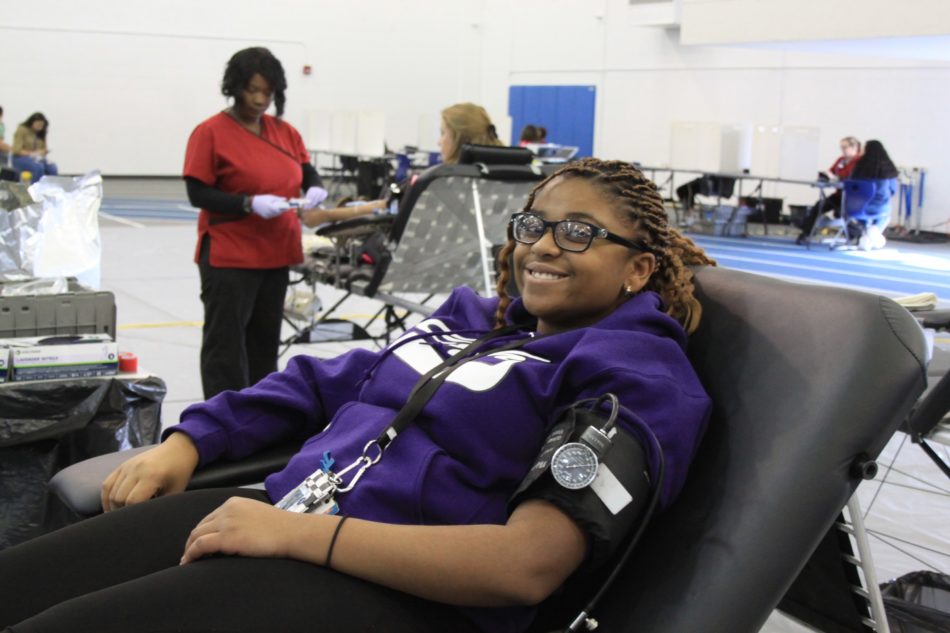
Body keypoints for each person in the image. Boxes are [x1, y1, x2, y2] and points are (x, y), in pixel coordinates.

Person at [0, 158, 714, 633]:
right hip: (292, 518)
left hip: (401, 594)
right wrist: (191, 440)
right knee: (18, 584)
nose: (544, 246)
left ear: (638, 268)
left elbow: (526, 564)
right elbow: (321, 379)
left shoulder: (636, 378)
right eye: (533, 225)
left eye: (580, 233)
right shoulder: (477, 324)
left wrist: (302, 535)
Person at [183, 47, 328, 400]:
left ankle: (262, 416)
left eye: (268, 92)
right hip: (231, 256)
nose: (261, 99)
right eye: (253, 90)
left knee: (264, 346)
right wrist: (247, 204)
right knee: (226, 349)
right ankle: (220, 421)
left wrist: (315, 187)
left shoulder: (285, 132)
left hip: (275, 254)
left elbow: (306, 169)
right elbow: (197, 193)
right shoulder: (210, 132)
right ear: (235, 87)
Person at [298, 102, 504, 229]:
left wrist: (326, 215)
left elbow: (385, 208)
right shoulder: (504, 179)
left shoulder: (438, 180)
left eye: (443, 133)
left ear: (459, 138)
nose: (439, 142)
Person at [795, 136, 862, 245]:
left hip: (852, 197)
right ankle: (806, 233)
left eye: (845, 147)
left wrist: (837, 178)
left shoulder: (859, 162)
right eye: (841, 147)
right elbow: (831, 172)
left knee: (840, 213)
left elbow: (850, 178)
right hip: (838, 194)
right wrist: (826, 177)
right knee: (819, 206)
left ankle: (857, 234)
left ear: (854, 147)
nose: (843, 150)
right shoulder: (841, 160)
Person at [848, 139, 899, 250]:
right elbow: (892, 190)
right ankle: (872, 231)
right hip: (880, 206)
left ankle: (867, 233)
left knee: (864, 216)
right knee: (885, 215)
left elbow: (851, 184)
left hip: (858, 206)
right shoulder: (888, 168)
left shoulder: (859, 166)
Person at [12, 112, 58, 183]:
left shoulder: (41, 132)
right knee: (38, 167)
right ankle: (34, 189)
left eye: (42, 126)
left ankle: (51, 189)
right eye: (38, 124)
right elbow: (17, 150)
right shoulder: (22, 129)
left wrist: (43, 152)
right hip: (20, 158)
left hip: (37, 158)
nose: (40, 127)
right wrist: (32, 153)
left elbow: (44, 149)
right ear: (32, 122)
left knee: (52, 167)